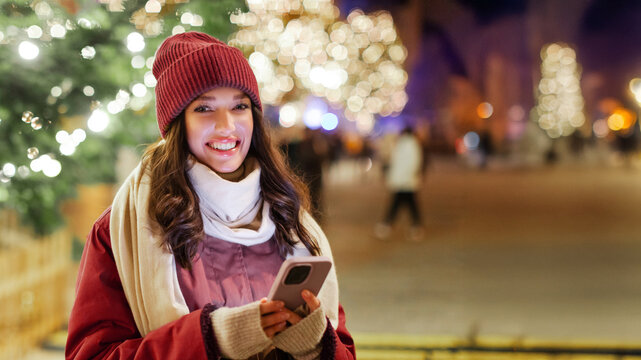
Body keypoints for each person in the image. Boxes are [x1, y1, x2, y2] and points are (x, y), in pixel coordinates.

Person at [66, 32, 355, 360]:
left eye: (239, 106)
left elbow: (344, 350)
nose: (226, 125)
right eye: (204, 108)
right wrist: (212, 338)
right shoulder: (124, 227)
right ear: (178, 123)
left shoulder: (292, 220)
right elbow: (92, 354)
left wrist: (316, 346)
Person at [375, 126, 424, 242]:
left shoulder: (407, 144)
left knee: (400, 204)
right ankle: (414, 227)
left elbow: (411, 163)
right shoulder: (410, 144)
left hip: (404, 181)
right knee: (407, 205)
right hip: (405, 181)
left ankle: (387, 225)